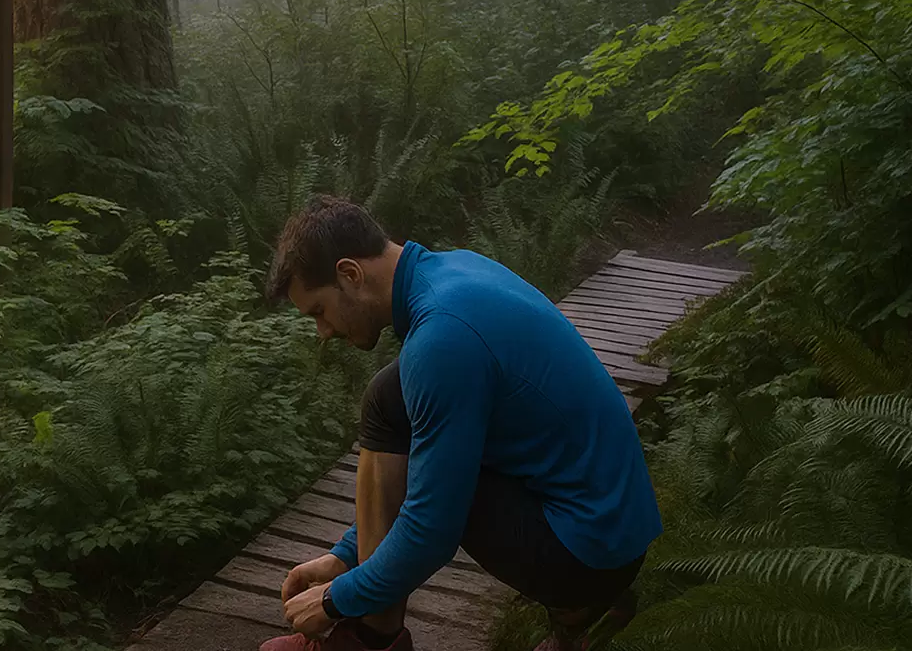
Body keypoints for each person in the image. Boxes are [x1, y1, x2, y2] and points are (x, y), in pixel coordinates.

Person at [259, 196, 660, 651]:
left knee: (439, 488)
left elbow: (431, 531)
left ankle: (370, 638)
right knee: (390, 399)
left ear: (350, 274)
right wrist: (345, 556)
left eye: (319, 311)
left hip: (589, 554)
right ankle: (578, 614)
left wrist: (335, 599)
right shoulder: (453, 270)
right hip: (613, 524)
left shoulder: (442, 338)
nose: (322, 332)